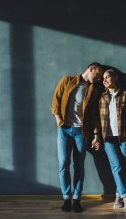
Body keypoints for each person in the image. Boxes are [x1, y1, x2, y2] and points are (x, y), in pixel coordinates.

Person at [51, 62, 103, 212]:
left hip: (82, 131)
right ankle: (66, 198)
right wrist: (59, 122)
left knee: (79, 165)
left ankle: (76, 199)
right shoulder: (67, 81)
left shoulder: (94, 90)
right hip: (64, 130)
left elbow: (94, 115)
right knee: (63, 163)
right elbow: (56, 101)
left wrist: (96, 135)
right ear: (91, 69)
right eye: (98, 74)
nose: (99, 78)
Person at [99, 69, 126, 213]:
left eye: (108, 77)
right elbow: (98, 119)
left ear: (115, 79)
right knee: (117, 167)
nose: (105, 80)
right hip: (108, 138)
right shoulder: (102, 98)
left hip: (124, 136)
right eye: (103, 78)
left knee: (124, 167)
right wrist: (97, 135)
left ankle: (117, 196)